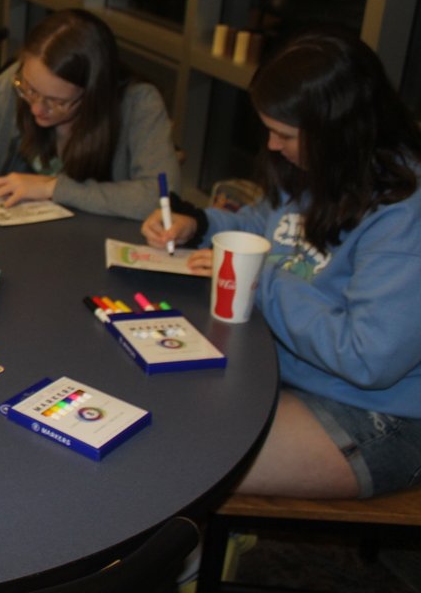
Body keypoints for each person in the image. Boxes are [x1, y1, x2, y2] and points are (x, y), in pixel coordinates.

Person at [142, 29, 421, 499]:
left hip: (380, 414)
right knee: (156, 416)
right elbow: (269, 223)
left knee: (180, 461)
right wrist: (200, 224)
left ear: (338, 131)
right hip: (284, 369)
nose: (272, 146)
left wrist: (261, 279)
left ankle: (192, 555)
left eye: (285, 134)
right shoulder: (328, 168)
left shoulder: (405, 214)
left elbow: (367, 359)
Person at [0, 9, 180, 220]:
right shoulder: (22, 77)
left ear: (93, 94)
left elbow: (161, 198)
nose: (37, 108)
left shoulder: (139, 103)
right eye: (29, 90)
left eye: (57, 102)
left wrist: (52, 188)